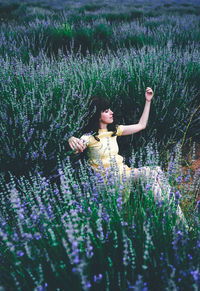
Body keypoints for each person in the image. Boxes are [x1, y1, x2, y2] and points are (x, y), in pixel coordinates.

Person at [68, 88, 187, 226]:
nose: (111, 112)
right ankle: (175, 221)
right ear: (97, 115)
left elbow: (141, 125)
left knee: (156, 171)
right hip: (108, 181)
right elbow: (76, 150)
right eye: (106, 111)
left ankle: (178, 220)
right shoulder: (88, 137)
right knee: (151, 178)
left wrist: (148, 101)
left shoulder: (114, 131)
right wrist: (70, 139)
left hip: (125, 174)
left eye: (110, 109)